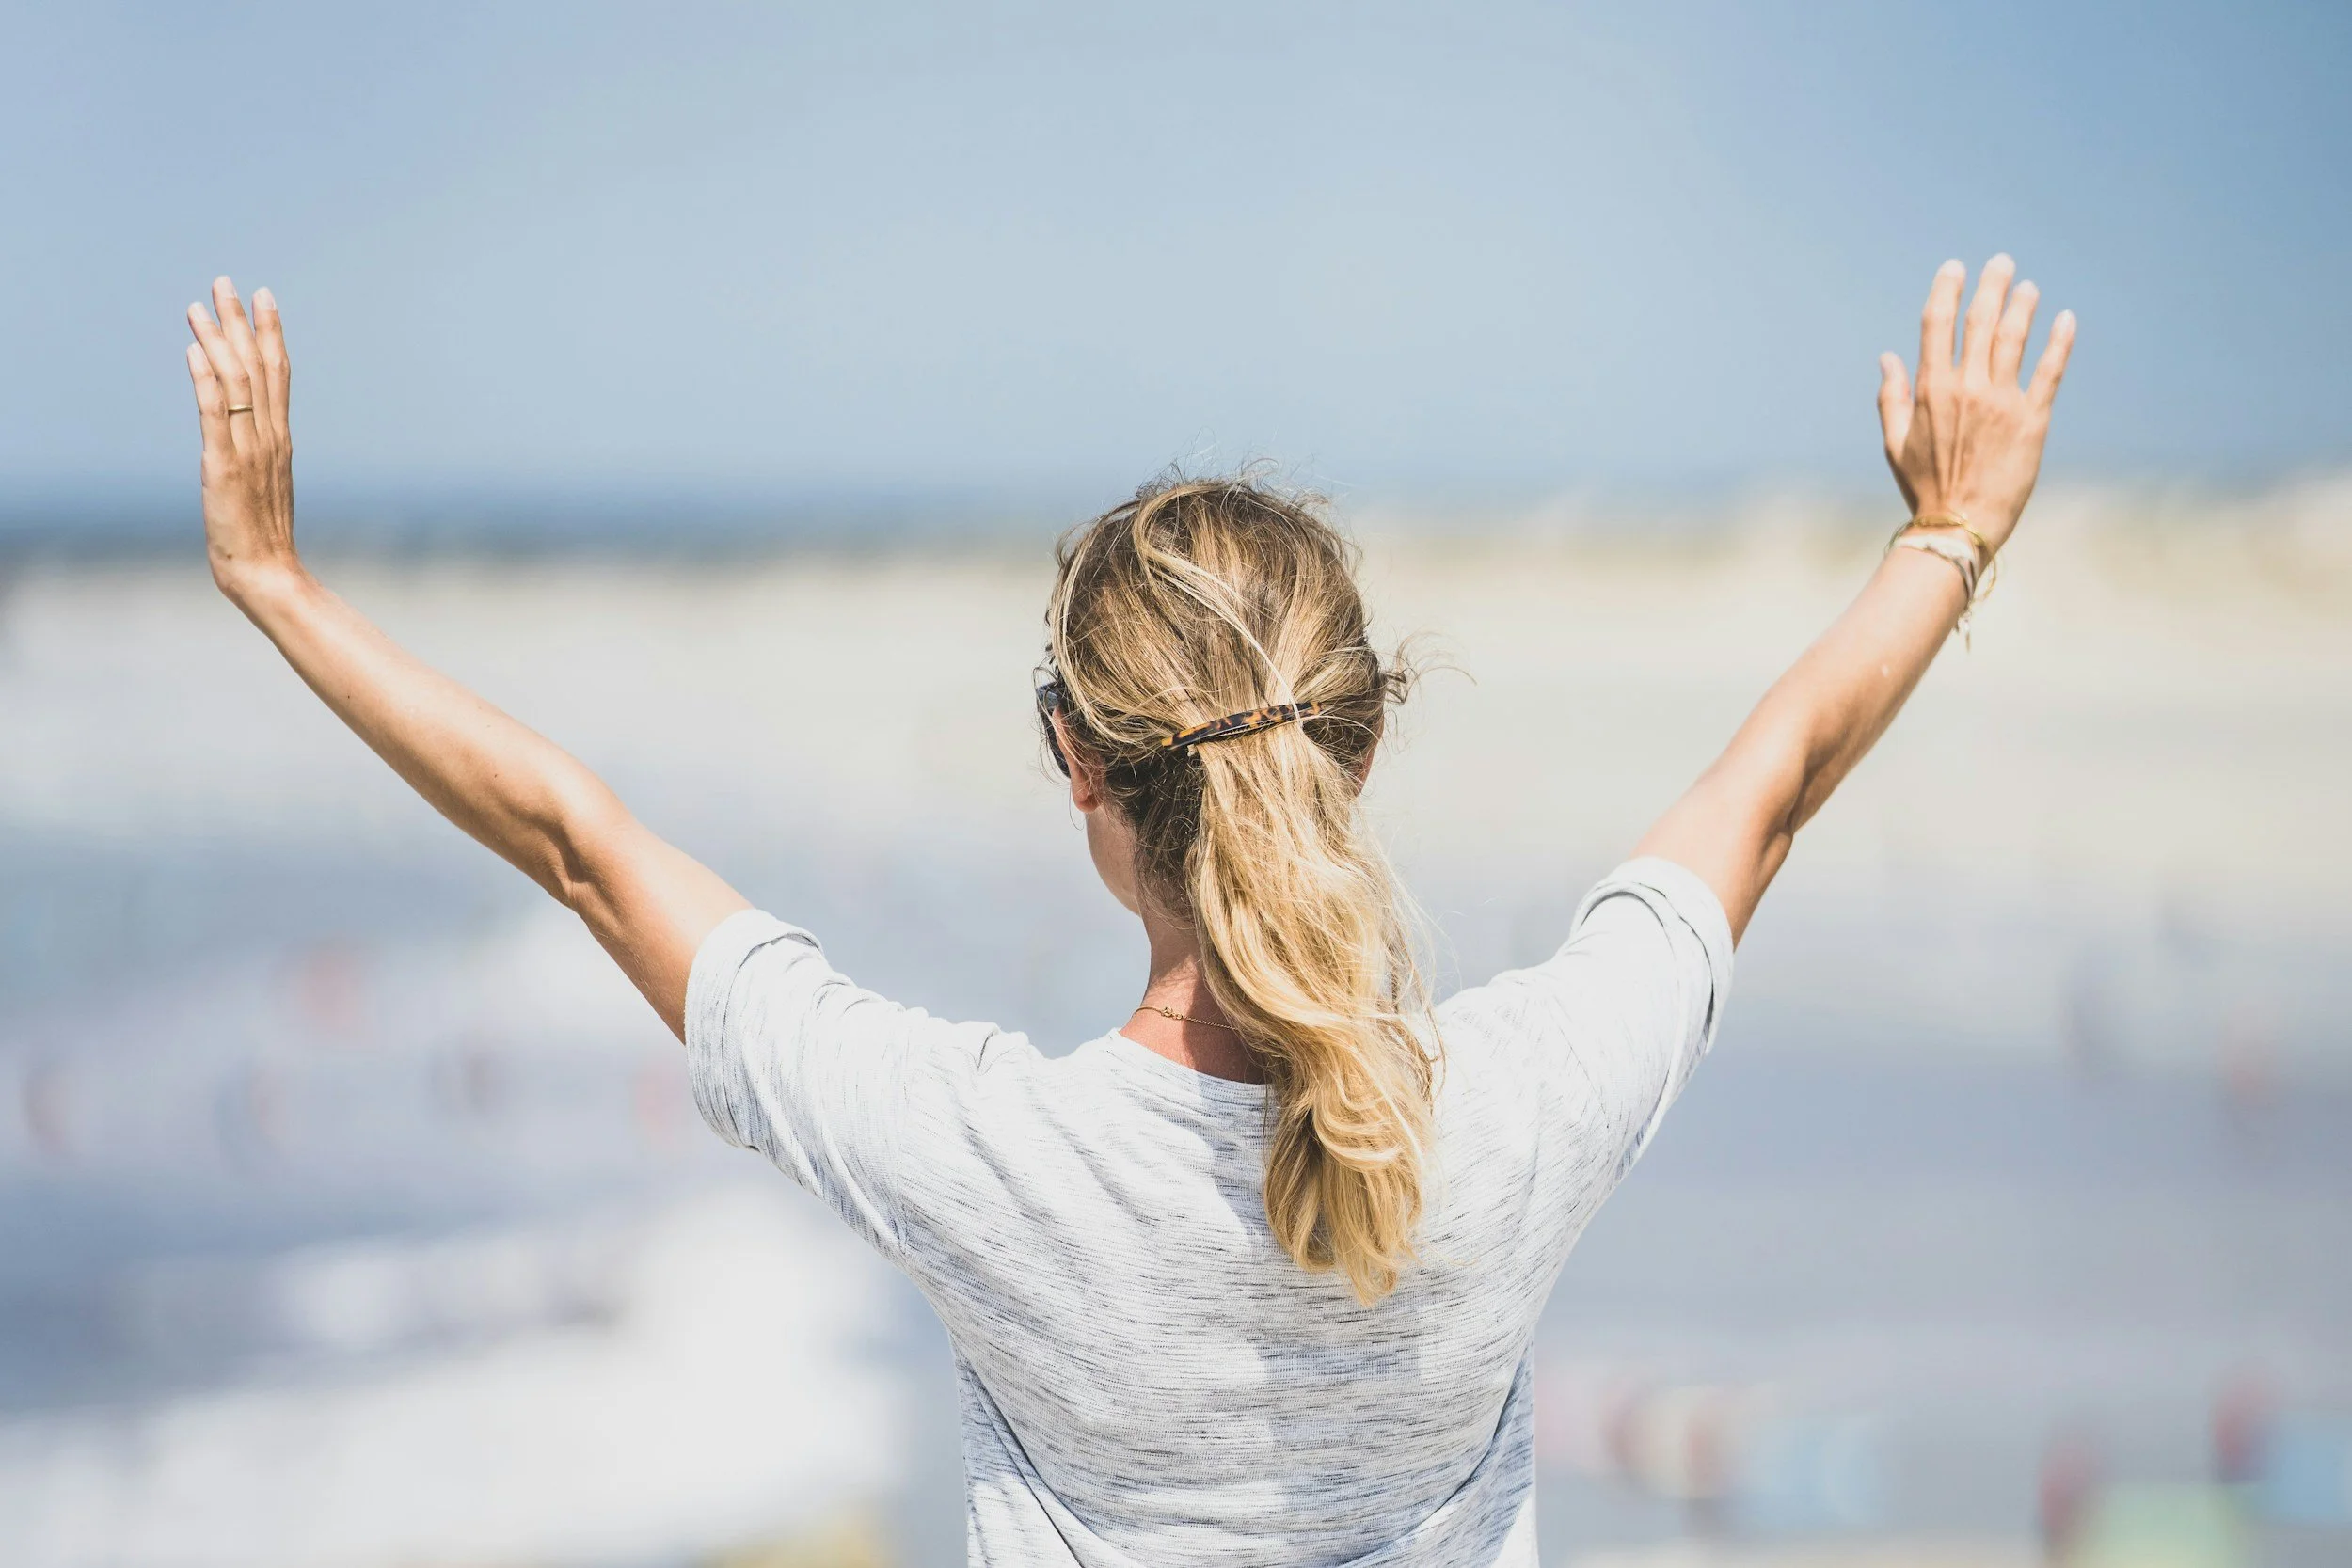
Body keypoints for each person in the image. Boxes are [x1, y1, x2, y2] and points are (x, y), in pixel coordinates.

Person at [183, 258, 2073, 1566]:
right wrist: (1950, 528)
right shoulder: (1509, 1108)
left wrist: (278, 584)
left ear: (1069, 757)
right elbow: (1773, 783)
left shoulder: (987, 1152)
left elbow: (580, 843)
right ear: (1365, 731)